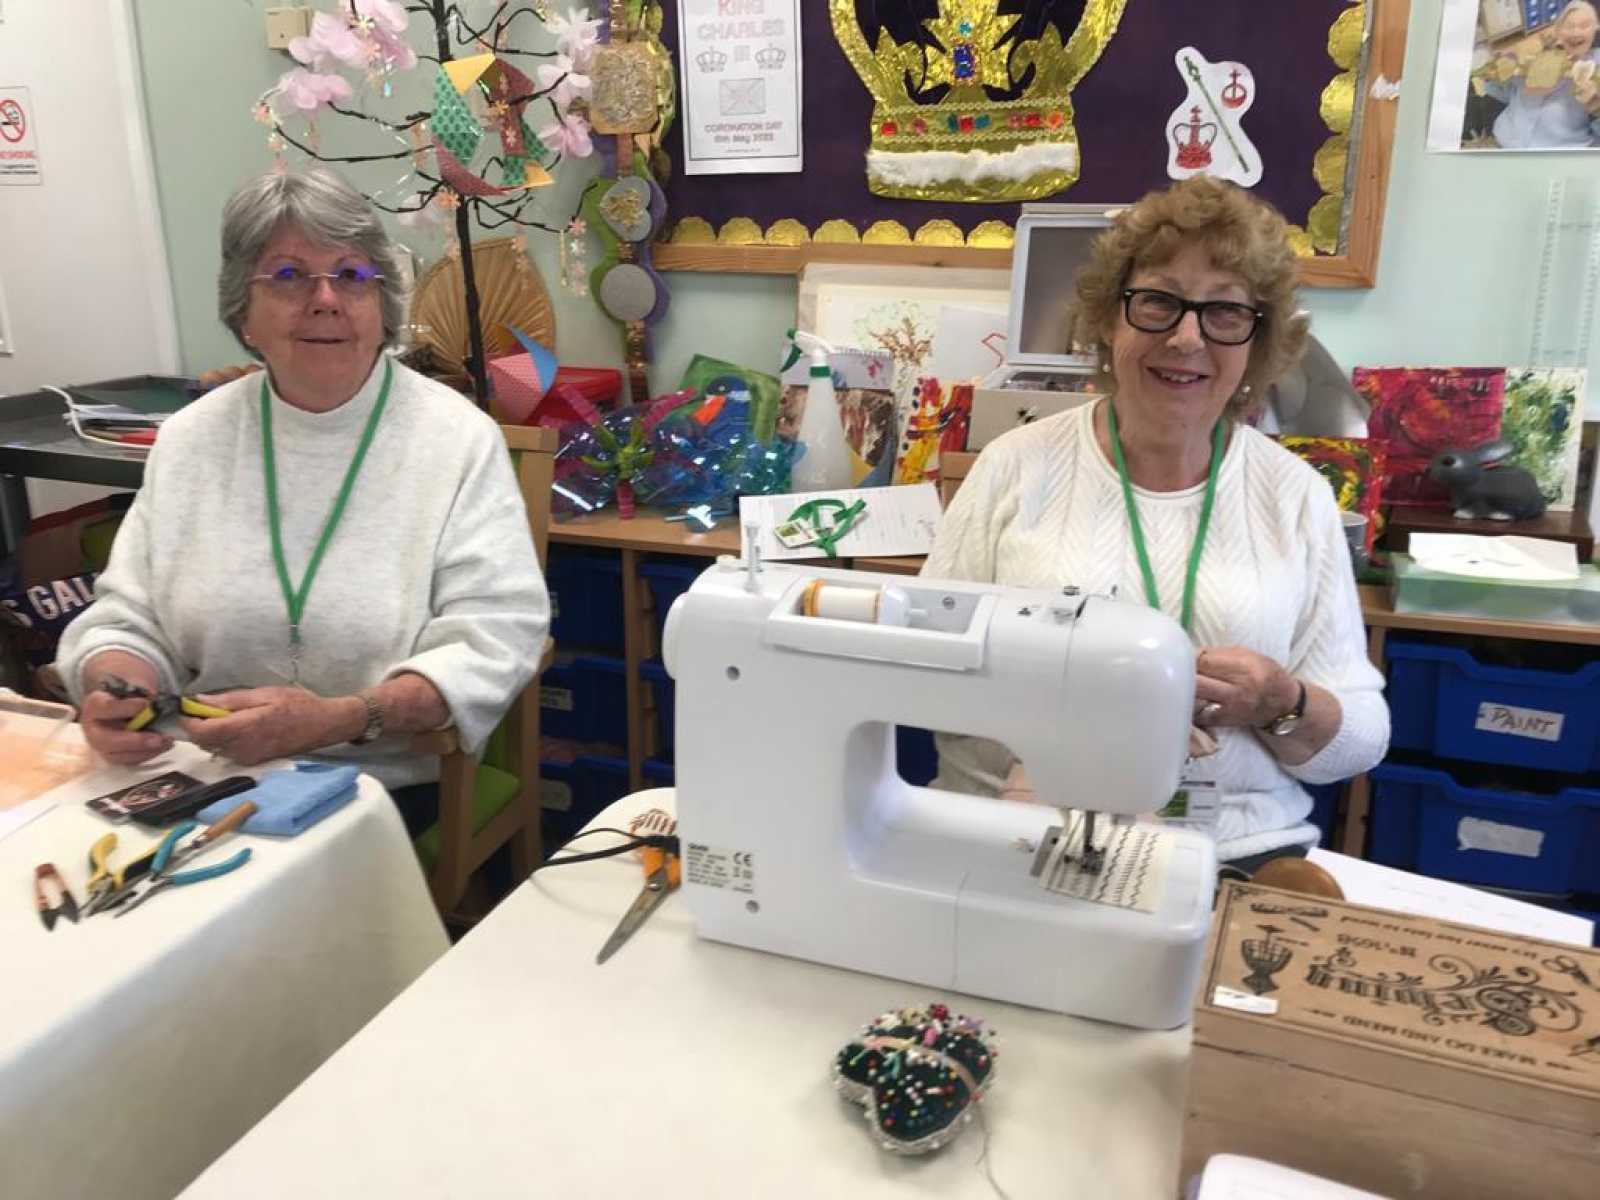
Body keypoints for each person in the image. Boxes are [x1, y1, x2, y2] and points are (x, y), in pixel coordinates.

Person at [58, 166, 549, 833]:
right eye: (289, 275)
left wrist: (340, 718)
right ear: (243, 312)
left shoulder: (457, 439)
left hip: (373, 784)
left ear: (382, 305)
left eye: (350, 275)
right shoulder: (191, 439)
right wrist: (116, 683)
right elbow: (127, 616)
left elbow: (494, 634)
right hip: (196, 769)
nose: (325, 298)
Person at [922, 176, 1389, 868]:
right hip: (1017, 835)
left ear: (1258, 340)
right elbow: (921, 676)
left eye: (1224, 311)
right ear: (1109, 320)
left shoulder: (1295, 495)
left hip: (1230, 850)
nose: (1186, 337)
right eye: (1159, 302)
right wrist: (1071, 700)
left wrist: (1278, 702)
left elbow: (1360, 742)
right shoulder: (1013, 466)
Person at [1480, 1, 1600, 149]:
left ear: (1596, 28)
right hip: (1505, 142)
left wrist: (1596, 109)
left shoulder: (1596, 64)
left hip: (1559, 154)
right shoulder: (1534, 55)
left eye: (1584, 26)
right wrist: (1494, 71)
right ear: (1558, 31)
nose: (1576, 32)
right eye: (1569, 26)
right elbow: (1504, 93)